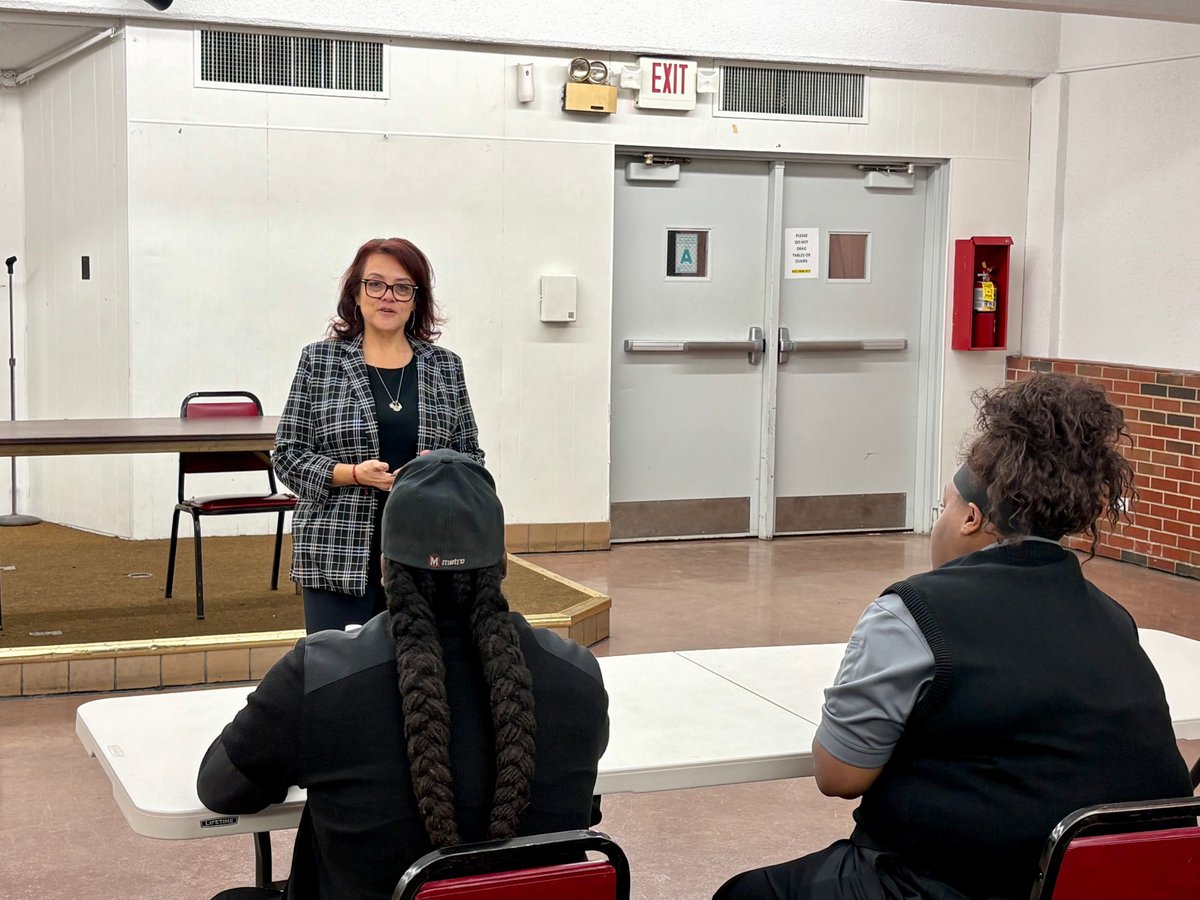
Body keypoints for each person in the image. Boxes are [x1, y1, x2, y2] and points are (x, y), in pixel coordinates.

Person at [715, 373, 1192, 900]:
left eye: (943, 506)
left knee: (747, 894)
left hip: (949, 882)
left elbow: (839, 775)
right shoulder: (1113, 618)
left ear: (970, 517)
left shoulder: (914, 611)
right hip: (1111, 884)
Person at [197, 449, 610, 900]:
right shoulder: (579, 675)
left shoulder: (320, 676)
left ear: (384, 568)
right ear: (503, 566)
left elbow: (222, 789)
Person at [275, 237, 483, 634]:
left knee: (421, 675)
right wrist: (352, 473)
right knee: (339, 678)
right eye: (375, 284)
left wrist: (434, 468)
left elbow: (471, 455)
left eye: (402, 287)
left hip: (429, 553)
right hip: (338, 549)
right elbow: (288, 454)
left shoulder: (445, 367)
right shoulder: (319, 362)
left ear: (415, 299)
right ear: (356, 292)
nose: (388, 296)